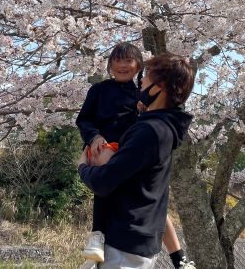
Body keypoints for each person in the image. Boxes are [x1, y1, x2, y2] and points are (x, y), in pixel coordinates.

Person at [77, 53, 196, 269]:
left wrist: (82, 167)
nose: (142, 80)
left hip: (124, 247)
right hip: (134, 241)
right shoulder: (163, 126)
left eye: (147, 76)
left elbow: (103, 182)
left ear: (160, 87)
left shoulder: (150, 131)